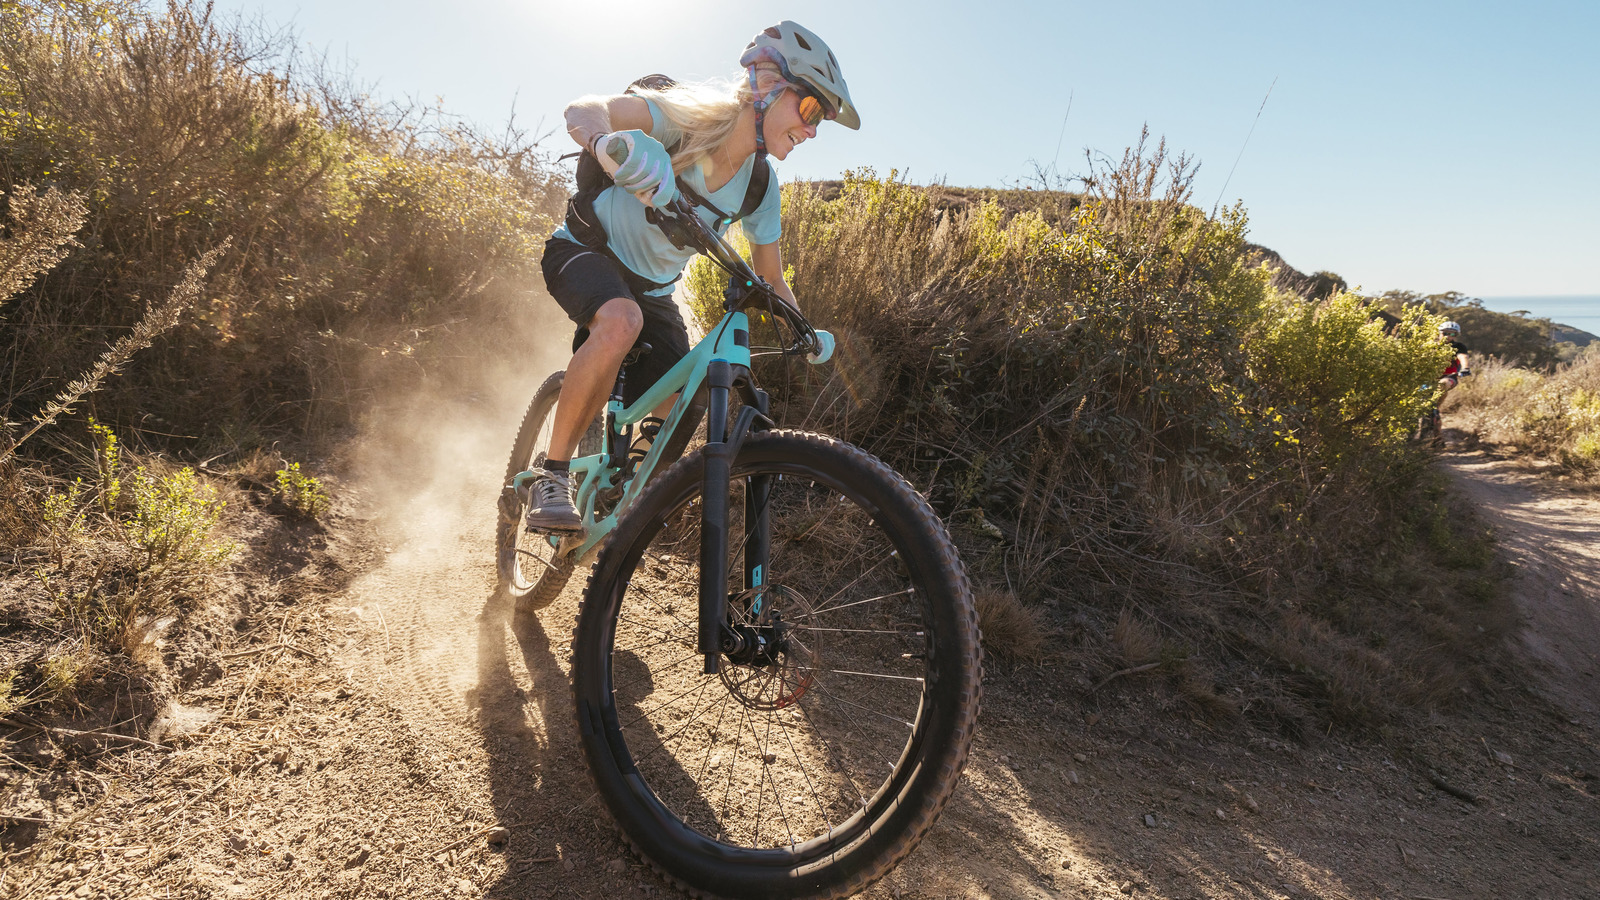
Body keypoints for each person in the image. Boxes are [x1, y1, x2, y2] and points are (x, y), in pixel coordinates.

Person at [523, 21, 859, 532]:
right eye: (811, 109)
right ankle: (552, 475)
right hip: (584, 249)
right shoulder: (686, 121)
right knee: (620, 320)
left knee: (686, 397)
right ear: (767, 86)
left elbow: (769, 275)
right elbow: (583, 108)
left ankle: (619, 485)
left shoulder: (762, 187)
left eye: (822, 121)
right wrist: (609, 144)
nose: (813, 130)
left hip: (654, 290)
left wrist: (805, 329)